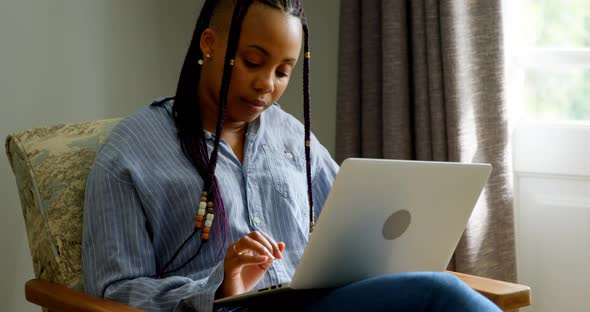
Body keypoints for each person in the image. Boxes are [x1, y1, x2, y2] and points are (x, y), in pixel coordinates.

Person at [82, 0, 501, 311]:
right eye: (252, 62)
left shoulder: (291, 137)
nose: (267, 84)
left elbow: (355, 227)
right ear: (208, 45)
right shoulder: (131, 153)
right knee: (437, 294)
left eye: (283, 71)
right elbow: (113, 292)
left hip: (318, 303)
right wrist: (217, 286)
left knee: (439, 292)